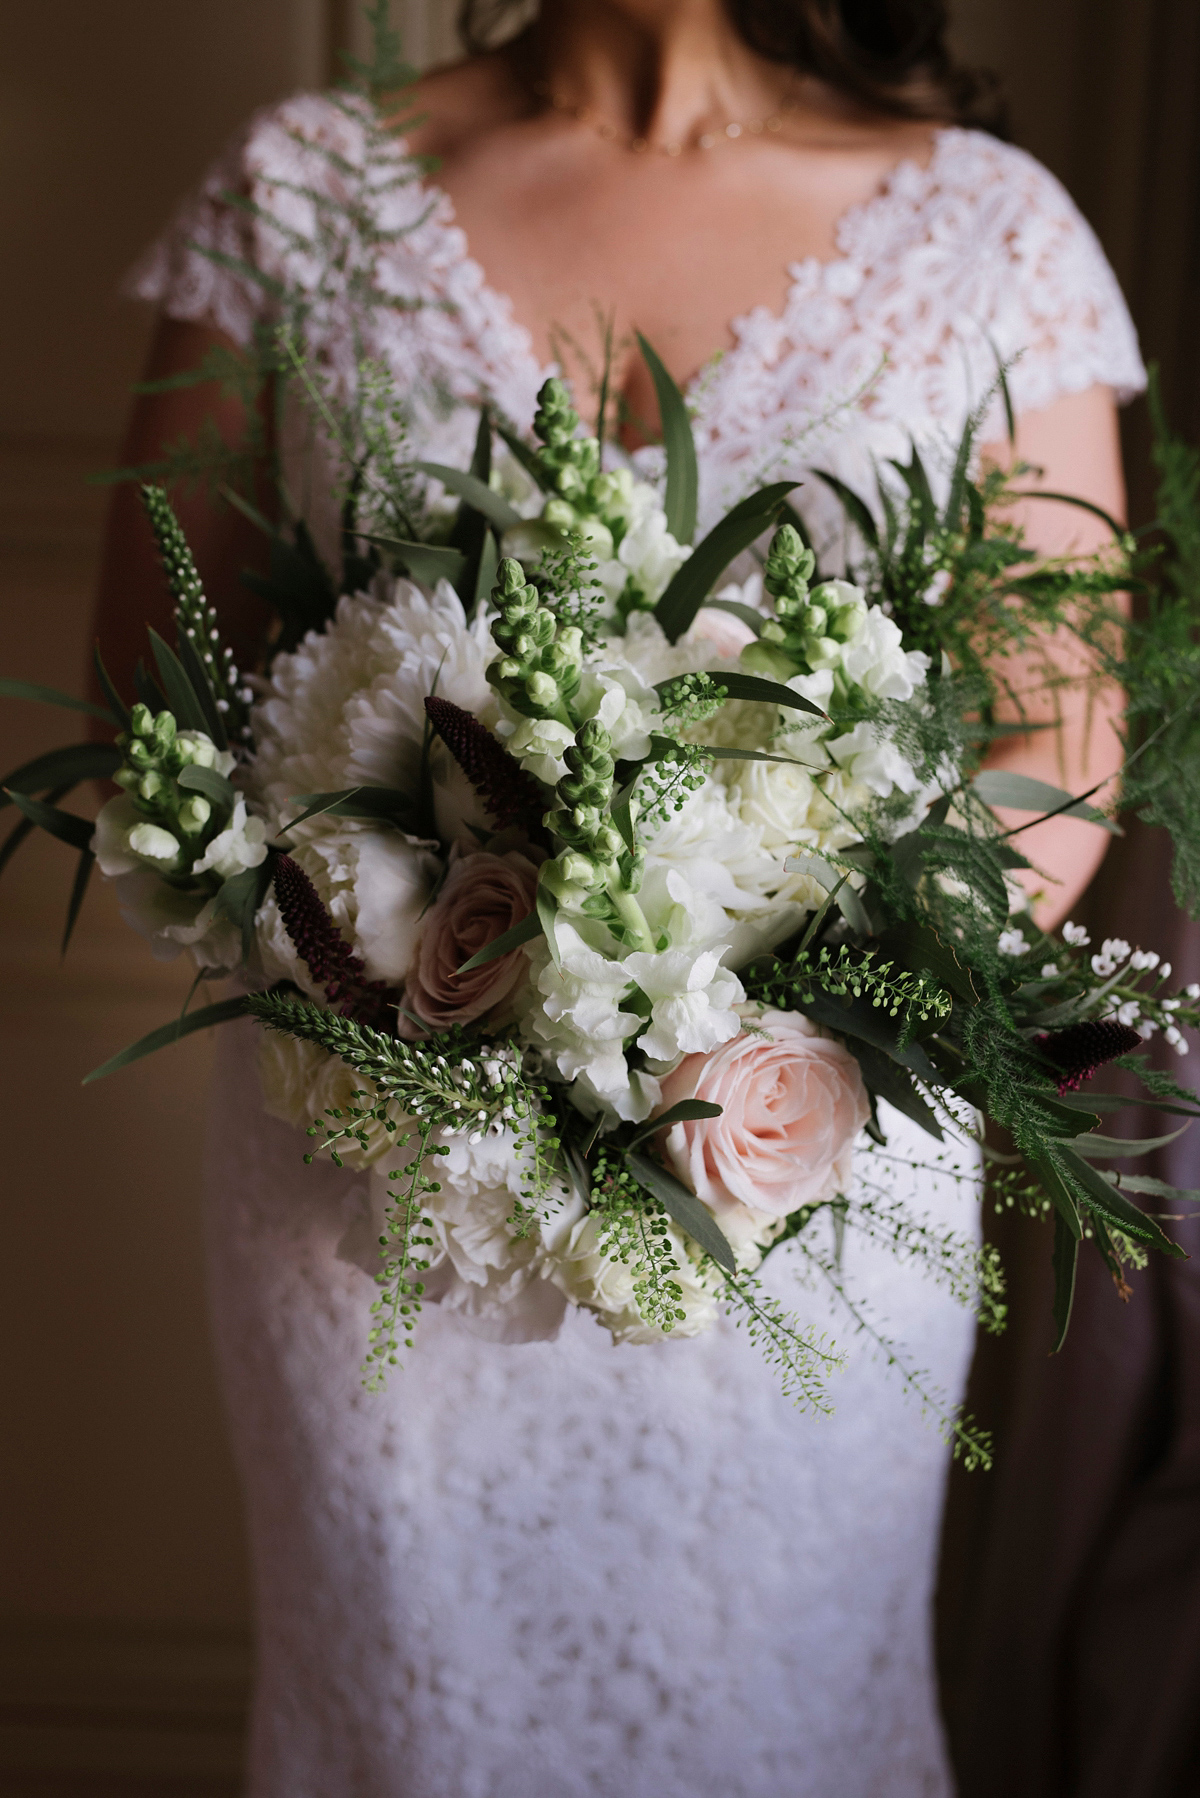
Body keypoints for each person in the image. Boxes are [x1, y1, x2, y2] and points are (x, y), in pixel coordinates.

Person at [94, 4, 1145, 1792]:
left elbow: (1066, 742)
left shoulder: (992, 228)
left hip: (802, 1185)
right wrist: (458, 1015)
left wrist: (741, 1023)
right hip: (376, 1206)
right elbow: (153, 712)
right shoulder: (306, 193)